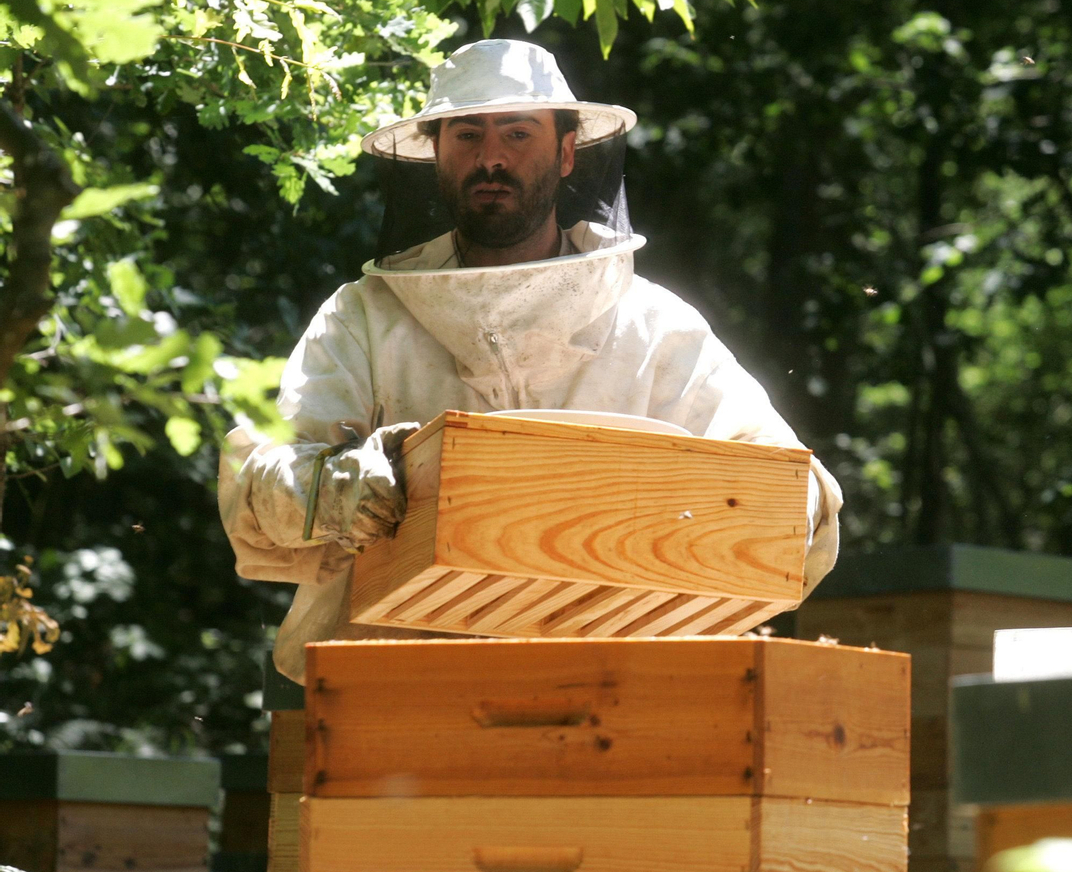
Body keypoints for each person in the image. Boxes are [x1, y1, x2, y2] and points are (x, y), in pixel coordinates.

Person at [218, 39, 843, 682]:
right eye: (466, 135)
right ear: (436, 153)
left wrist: (740, 515)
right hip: (393, 681)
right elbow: (256, 485)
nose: (491, 158)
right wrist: (347, 488)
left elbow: (800, 496)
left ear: (567, 152)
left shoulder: (654, 325)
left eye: (518, 133)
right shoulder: (366, 318)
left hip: (612, 684)